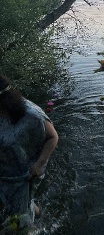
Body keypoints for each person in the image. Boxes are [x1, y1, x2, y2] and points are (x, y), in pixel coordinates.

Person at [0, 75, 58, 230]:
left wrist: (39, 164)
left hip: (25, 172)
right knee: (13, 207)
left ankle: (31, 226)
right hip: (4, 170)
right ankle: (37, 212)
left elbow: (52, 137)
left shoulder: (31, 114)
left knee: (20, 221)